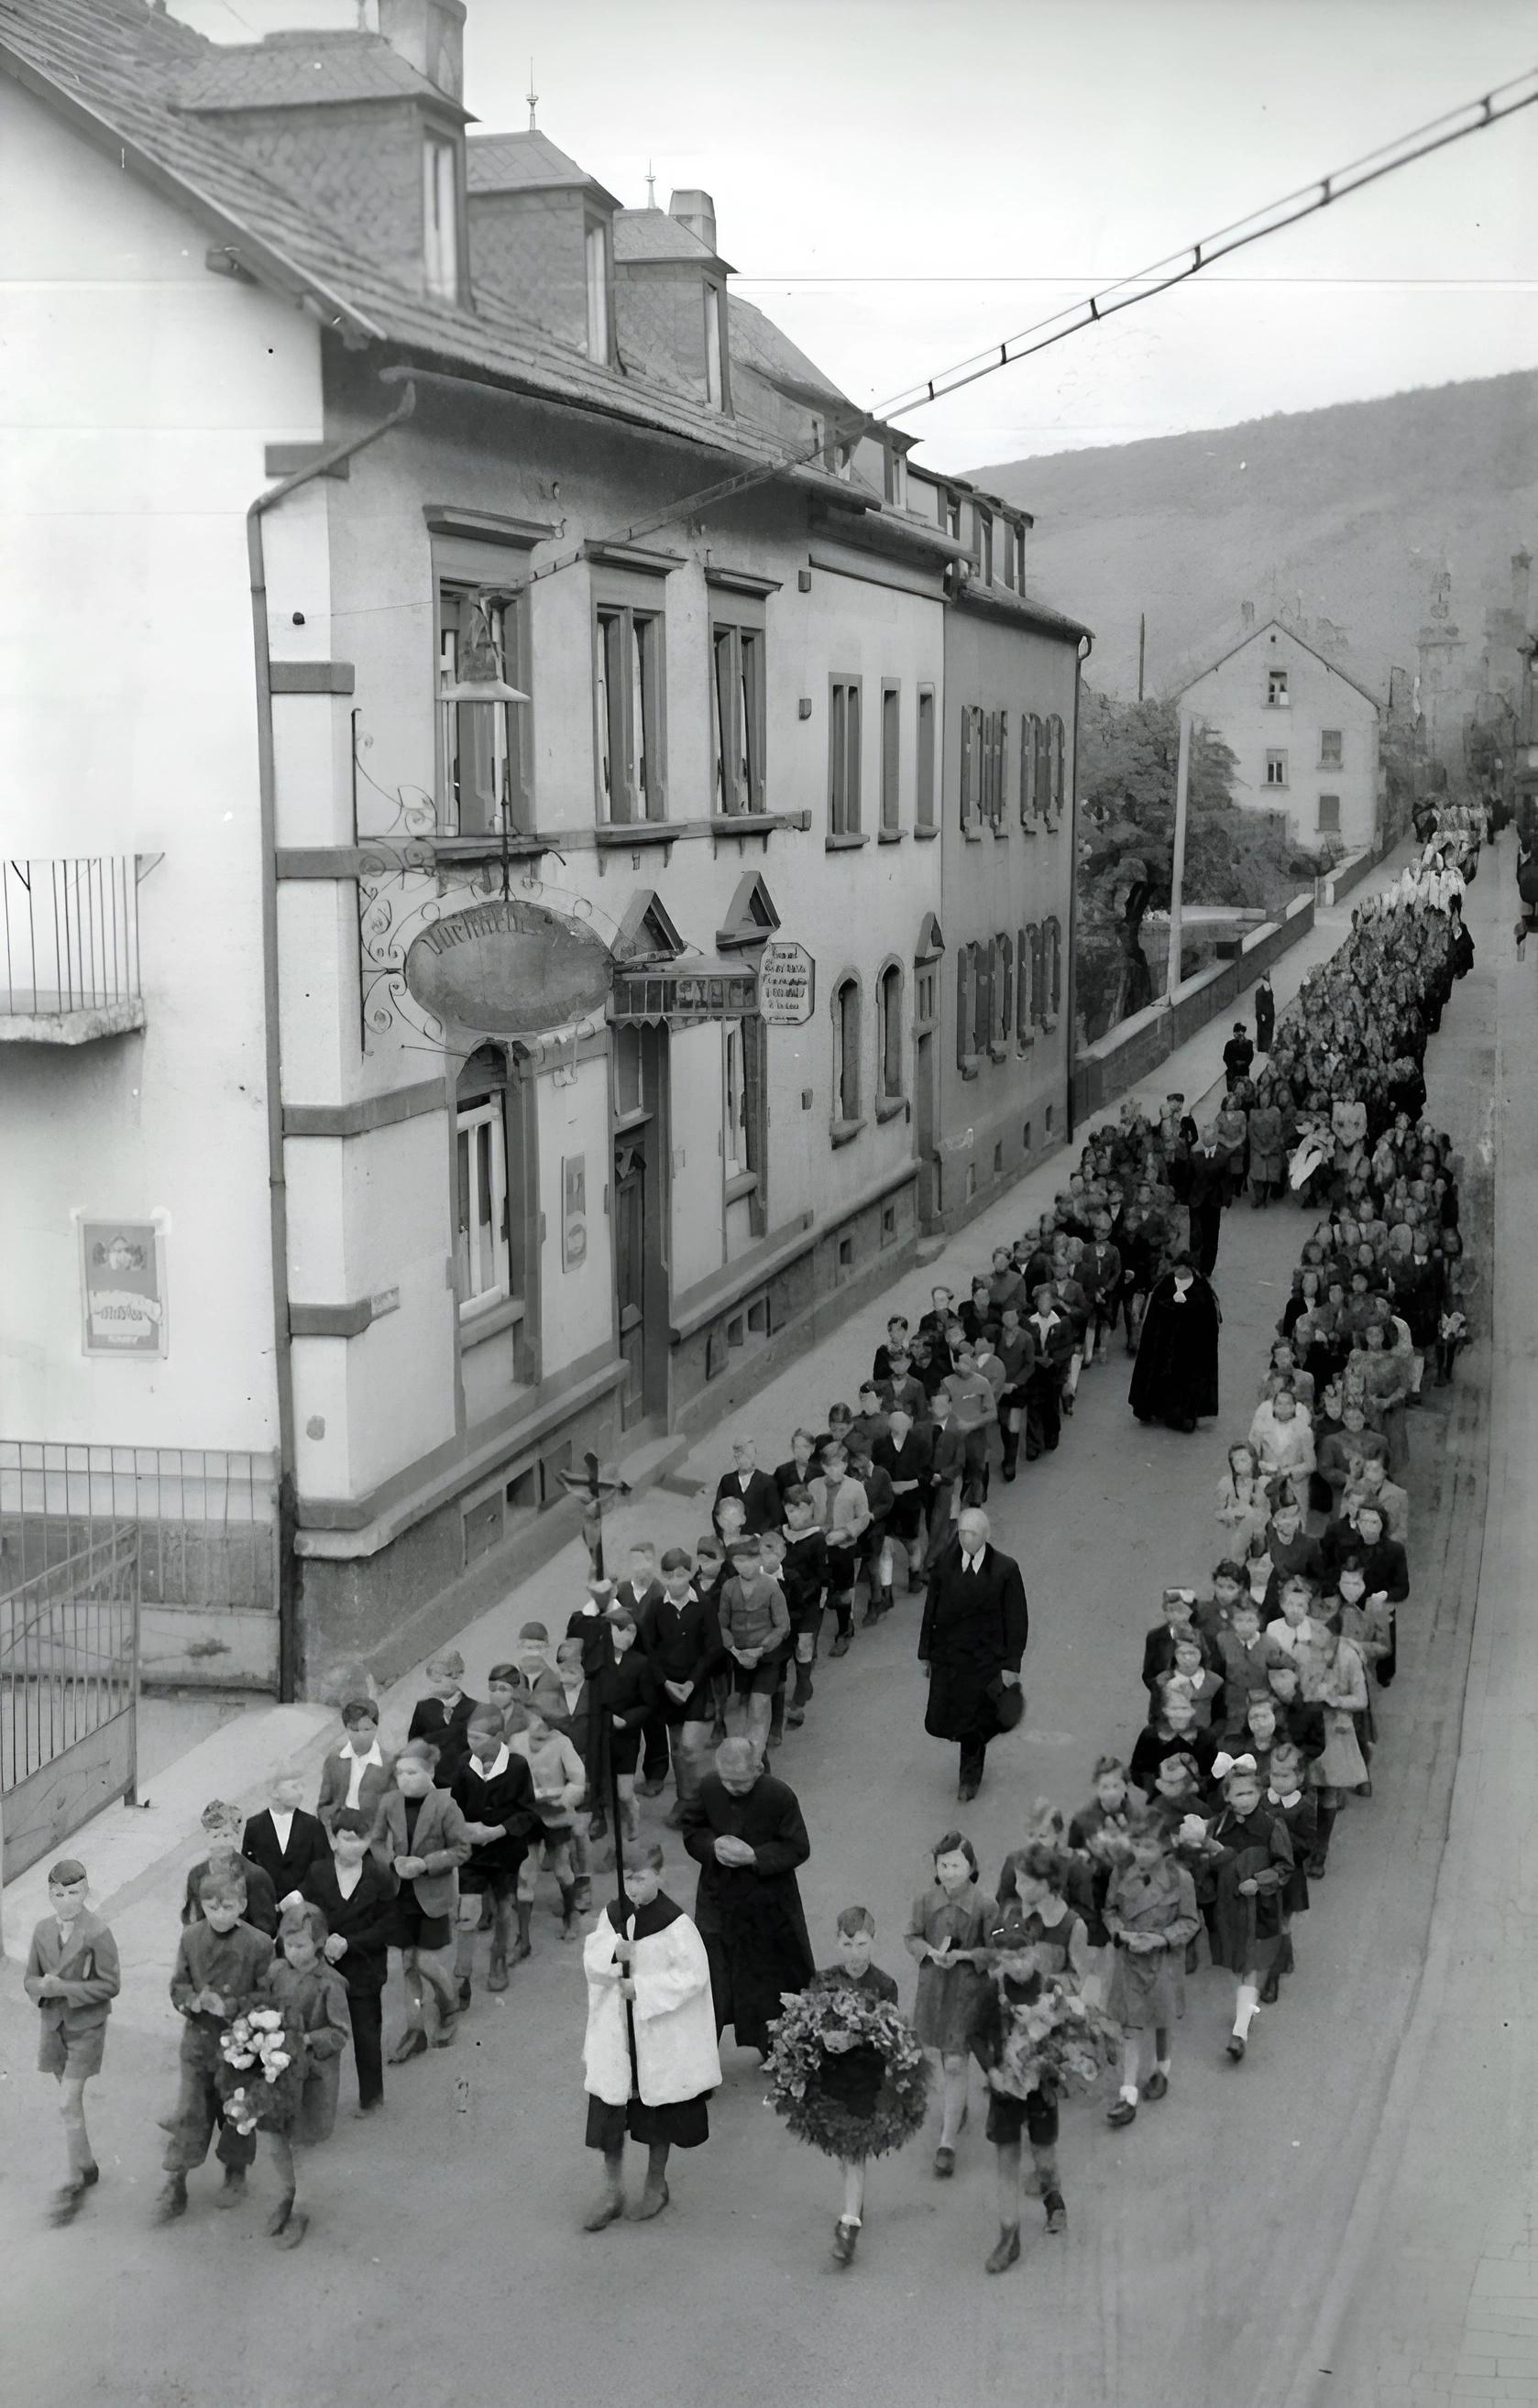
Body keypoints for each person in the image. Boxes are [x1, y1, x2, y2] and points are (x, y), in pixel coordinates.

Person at [581, 1842, 720, 2231]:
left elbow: (693, 1978)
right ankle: (612, 2191)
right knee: (609, 2113)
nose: (633, 1887)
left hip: (656, 2035)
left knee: (658, 2114)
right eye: (627, 1878)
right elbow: (592, 1958)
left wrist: (644, 1988)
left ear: (661, 1876)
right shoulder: (613, 1916)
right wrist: (613, 1953)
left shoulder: (675, 1924)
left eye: (641, 1878)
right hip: (618, 2034)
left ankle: (655, 2184)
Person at [679, 1736, 814, 2058]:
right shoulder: (710, 1788)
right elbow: (692, 1829)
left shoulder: (780, 1795)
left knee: (770, 1977)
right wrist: (712, 1847)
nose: (734, 1788)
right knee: (713, 1978)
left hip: (768, 1902)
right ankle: (703, 2063)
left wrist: (755, 1856)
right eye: (727, 1780)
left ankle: (776, 2048)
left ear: (758, 1768)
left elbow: (798, 1847)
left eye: (741, 1782)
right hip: (718, 1898)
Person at [158, 1863, 273, 2222]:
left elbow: (266, 1998)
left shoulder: (259, 1943)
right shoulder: (190, 1937)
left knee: (237, 2111)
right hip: (198, 2042)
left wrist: (233, 2006)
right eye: (210, 1907)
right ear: (201, 1906)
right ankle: (176, 2181)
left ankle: (235, 2173)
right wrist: (192, 2001)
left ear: (241, 1905)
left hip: (239, 2047)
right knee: (192, 2110)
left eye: (226, 1907)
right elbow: (178, 1984)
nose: (218, 1915)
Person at [805, 1907, 904, 2267]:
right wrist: (825, 2037)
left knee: (853, 2150)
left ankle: (848, 2228)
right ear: (837, 1942)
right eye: (848, 1944)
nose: (855, 1952)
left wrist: (854, 2039)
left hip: (866, 2077)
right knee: (844, 2152)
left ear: (873, 1941)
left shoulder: (885, 1985)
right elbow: (809, 2023)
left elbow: (887, 2035)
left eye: (862, 1943)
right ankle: (854, 2200)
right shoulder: (823, 1980)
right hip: (832, 2077)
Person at [25, 1856, 120, 2222]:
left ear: (86, 1892)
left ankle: (73, 2181)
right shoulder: (41, 1930)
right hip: (53, 2026)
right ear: (50, 1894)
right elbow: (30, 1979)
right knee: (71, 2104)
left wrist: (64, 1987)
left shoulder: (97, 1932)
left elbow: (111, 1984)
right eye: (57, 1893)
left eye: (73, 1893)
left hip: (86, 2028)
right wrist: (42, 1989)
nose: (65, 1900)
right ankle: (87, 2165)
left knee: (66, 2102)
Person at [368, 1737, 471, 2058]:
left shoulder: (446, 1805)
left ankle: (448, 2000)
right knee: (407, 1964)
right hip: (399, 1894)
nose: (404, 1779)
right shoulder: (389, 1802)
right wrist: (391, 1862)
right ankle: (415, 2031)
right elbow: (375, 1841)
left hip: (432, 1895)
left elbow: (461, 1850)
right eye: (399, 1773)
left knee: (425, 1959)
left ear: (430, 1772)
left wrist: (424, 1864)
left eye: (412, 1773)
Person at [258, 1900, 352, 2247]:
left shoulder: (331, 1984)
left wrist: (306, 2039)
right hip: (278, 2073)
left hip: (313, 2078)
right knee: (275, 2142)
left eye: (300, 1945)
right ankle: (287, 2193)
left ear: (318, 1943)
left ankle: (301, 2210)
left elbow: (340, 2033)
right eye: (287, 1944)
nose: (292, 1952)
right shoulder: (276, 1972)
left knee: (304, 2148)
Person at [918, 1507, 1028, 1803]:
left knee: (974, 1722)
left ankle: (969, 1776)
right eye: (962, 1532)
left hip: (984, 1661)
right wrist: (927, 1653)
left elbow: (1016, 1620)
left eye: (972, 1533)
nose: (966, 1538)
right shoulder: (945, 1565)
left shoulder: (1005, 1570)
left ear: (986, 1535)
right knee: (943, 1718)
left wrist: (1011, 1665)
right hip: (950, 1658)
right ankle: (972, 1743)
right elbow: (932, 1609)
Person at [905, 1832, 995, 2176]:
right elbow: (910, 1936)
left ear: (971, 1867)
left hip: (969, 1991)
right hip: (935, 1989)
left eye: (957, 1864)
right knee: (945, 2054)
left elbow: (997, 1949)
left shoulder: (986, 1905)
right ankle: (960, 2107)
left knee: (956, 2062)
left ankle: (947, 2143)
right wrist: (929, 1952)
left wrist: (966, 1955)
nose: (950, 1871)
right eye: (944, 1865)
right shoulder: (925, 1901)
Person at [1102, 1818, 1202, 2127]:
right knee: (1131, 2027)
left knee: (1162, 2020)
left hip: (1163, 1961)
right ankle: (1127, 2094)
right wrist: (1121, 1934)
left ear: (1165, 1847)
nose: (1142, 1853)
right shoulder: (1121, 1872)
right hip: (1130, 1959)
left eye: (1149, 1846)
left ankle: (1161, 2069)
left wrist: (1160, 1939)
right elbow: (1110, 1911)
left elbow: (1190, 1921)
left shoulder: (1179, 1879)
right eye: (1137, 1845)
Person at [302, 1807, 395, 2118]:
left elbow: (387, 1925)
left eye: (361, 1839)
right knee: (319, 2034)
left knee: (366, 2034)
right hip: (324, 1970)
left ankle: (372, 2098)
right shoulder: (318, 1872)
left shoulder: (379, 1875)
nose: (354, 1845)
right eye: (347, 1838)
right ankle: (315, 2104)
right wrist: (322, 1940)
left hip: (364, 1967)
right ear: (333, 1840)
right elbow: (306, 1913)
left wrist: (348, 1943)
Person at [1205, 1756, 1294, 2062]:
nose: (1245, 1800)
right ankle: (1245, 2007)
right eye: (1238, 1794)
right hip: (1227, 1905)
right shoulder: (1218, 1826)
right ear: (1227, 1797)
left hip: (1258, 1905)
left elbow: (1285, 1867)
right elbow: (1205, 1857)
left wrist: (1259, 1881)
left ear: (1259, 1793)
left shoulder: (1271, 1826)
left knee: (1250, 1964)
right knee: (1234, 1962)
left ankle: (1240, 2031)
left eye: (1250, 1793)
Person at [451, 1708, 538, 1998]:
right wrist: (465, 1826)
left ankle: (498, 1962)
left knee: (503, 1911)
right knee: (468, 1912)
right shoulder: (465, 1764)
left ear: (498, 1736)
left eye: (477, 1737)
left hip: (505, 1855)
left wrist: (496, 1831)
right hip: (473, 1855)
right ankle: (461, 1975)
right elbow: (455, 1807)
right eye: (468, 1737)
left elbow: (527, 1813)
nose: (471, 1744)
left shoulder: (517, 1766)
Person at [638, 1546, 724, 1826]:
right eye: (669, 1574)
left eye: (681, 1573)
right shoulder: (655, 1607)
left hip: (695, 1687)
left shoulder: (703, 1606)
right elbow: (648, 1649)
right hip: (668, 1690)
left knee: (688, 1747)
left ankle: (697, 1801)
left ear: (689, 1574)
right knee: (677, 1747)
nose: (676, 1579)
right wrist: (664, 1683)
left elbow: (713, 1649)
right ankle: (685, 1800)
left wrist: (690, 1683)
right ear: (662, 1577)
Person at [509, 1702, 588, 1942]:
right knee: (525, 1870)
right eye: (537, 1719)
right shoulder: (516, 1741)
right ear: (528, 1716)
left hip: (555, 1815)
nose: (542, 1727)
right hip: (526, 1814)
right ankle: (523, 1938)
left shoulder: (562, 1743)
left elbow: (577, 1779)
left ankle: (571, 1913)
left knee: (562, 1868)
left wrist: (564, 1799)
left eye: (549, 1722)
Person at [1129, 1252, 1221, 1433]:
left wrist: (1186, 1305)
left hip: (1190, 1346)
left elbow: (1207, 1319)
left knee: (1185, 1382)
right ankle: (1154, 1409)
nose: (1181, 1272)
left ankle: (1183, 1415)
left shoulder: (1201, 1288)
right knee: (1159, 1375)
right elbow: (1156, 1311)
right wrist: (1171, 1302)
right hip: (1164, 1343)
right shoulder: (1165, 1285)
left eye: (1185, 1269)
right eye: (1178, 1268)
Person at [717, 1535, 790, 1755]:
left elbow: (783, 1626)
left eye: (750, 1559)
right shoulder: (729, 1588)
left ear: (759, 1559)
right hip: (738, 1657)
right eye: (739, 1561)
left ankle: (756, 1756)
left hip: (766, 1658)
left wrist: (763, 1648)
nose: (745, 1565)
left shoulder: (770, 1586)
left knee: (759, 1705)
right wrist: (734, 1650)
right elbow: (721, 1624)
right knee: (740, 1707)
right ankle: (746, 1753)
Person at [182, 1799, 279, 1938]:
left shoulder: (255, 1876)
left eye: (227, 1835)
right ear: (206, 1840)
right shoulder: (196, 1875)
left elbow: (266, 1931)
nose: (221, 1843)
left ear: (237, 1838)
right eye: (215, 1836)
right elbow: (191, 1922)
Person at [242, 1770, 329, 1915]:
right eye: (294, 1787)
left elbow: (323, 1865)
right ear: (275, 1793)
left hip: (304, 1908)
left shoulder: (312, 1825)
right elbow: (248, 1868)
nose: (301, 1792)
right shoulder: (254, 1826)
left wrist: (301, 1893)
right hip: (265, 1910)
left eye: (302, 1786)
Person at [316, 1699, 394, 1837]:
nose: (361, 1735)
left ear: (376, 1727)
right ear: (346, 1728)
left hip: (373, 1833)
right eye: (354, 1730)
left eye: (367, 1729)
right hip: (339, 1829)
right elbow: (323, 1804)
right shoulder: (334, 1759)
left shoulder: (388, 1763)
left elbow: (393, 1810)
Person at [407, 1650, 480, 1787]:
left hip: (468, 1779)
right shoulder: (424, 1707)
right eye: (449, 1675)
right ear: (436, 1676)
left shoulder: (473, 1707)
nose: (455, 1679)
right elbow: (414, 1745)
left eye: (459, 1673)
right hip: (436, 1780)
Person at [713, 1438, 782, 1537]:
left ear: (754, 1455)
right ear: (736, 1457)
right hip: (732, 1540)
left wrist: (759, 1535)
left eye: (749, 1456)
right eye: (742, 1456)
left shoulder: (767, 1482)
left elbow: (775, 1516)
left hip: (758, 1541)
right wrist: (724, 1535)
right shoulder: (727, 1481)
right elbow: (717, 1512)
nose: (746, 1460)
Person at [1253, 973, 1276, 1056]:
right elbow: (1258, 1005)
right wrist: (1261, 1014)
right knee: (1263, 1031)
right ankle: (1262, 1048)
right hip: (1263, 1016)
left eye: (1268, 981)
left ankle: (1268, 1047)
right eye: (1266, 981)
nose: (1267, 983)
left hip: (1270, 1015)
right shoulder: (1259, 992)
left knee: (1269, 1031)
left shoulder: (1269, 990)